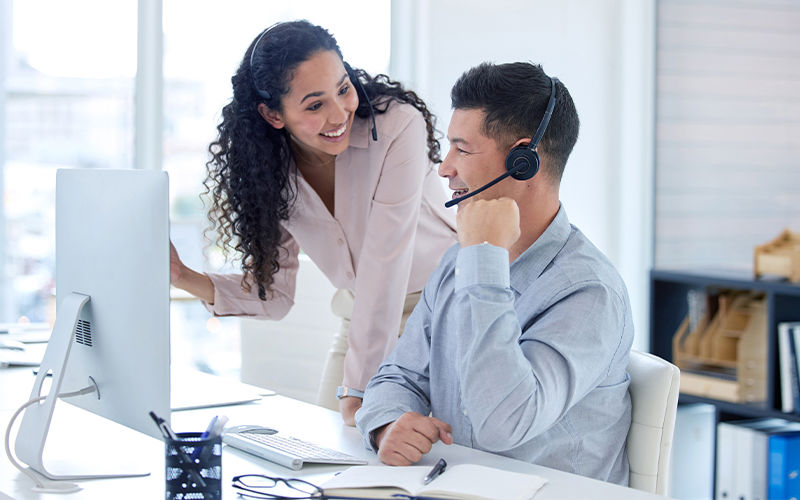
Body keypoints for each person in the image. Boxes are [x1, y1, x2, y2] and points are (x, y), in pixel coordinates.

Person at [355, 62, 634, 485]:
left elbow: (504, 424)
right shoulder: (458, 262)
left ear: (523, 160)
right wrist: (386, 425)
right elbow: (398, 374)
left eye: (462, 150)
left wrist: (485, 259)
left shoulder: (587, 292)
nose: (445, 168)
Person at [170, 20, 456, 425]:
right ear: (272, 115)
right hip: (362, 317)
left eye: (343, 89)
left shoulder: (396, 125)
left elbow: (384, 262)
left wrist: (358, 389)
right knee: (329, 453)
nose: (340, 113)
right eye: (315, 105)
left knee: (418, 460)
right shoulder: (271, 172)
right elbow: (275, 296)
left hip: (444, 312)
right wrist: (182, 275)